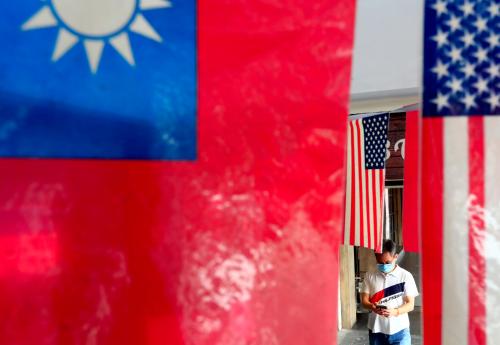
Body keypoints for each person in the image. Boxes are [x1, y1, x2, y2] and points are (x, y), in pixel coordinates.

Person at [360, 239, 419, 345]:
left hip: (400, 330)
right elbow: (364, 301)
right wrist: (372, 306)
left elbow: (411, 305)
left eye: (387, 262)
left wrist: (395, 312)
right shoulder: (370, 275)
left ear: (395, 257)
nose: (384, 265)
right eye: (380, 262)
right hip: (376, 330)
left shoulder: (405, 276)